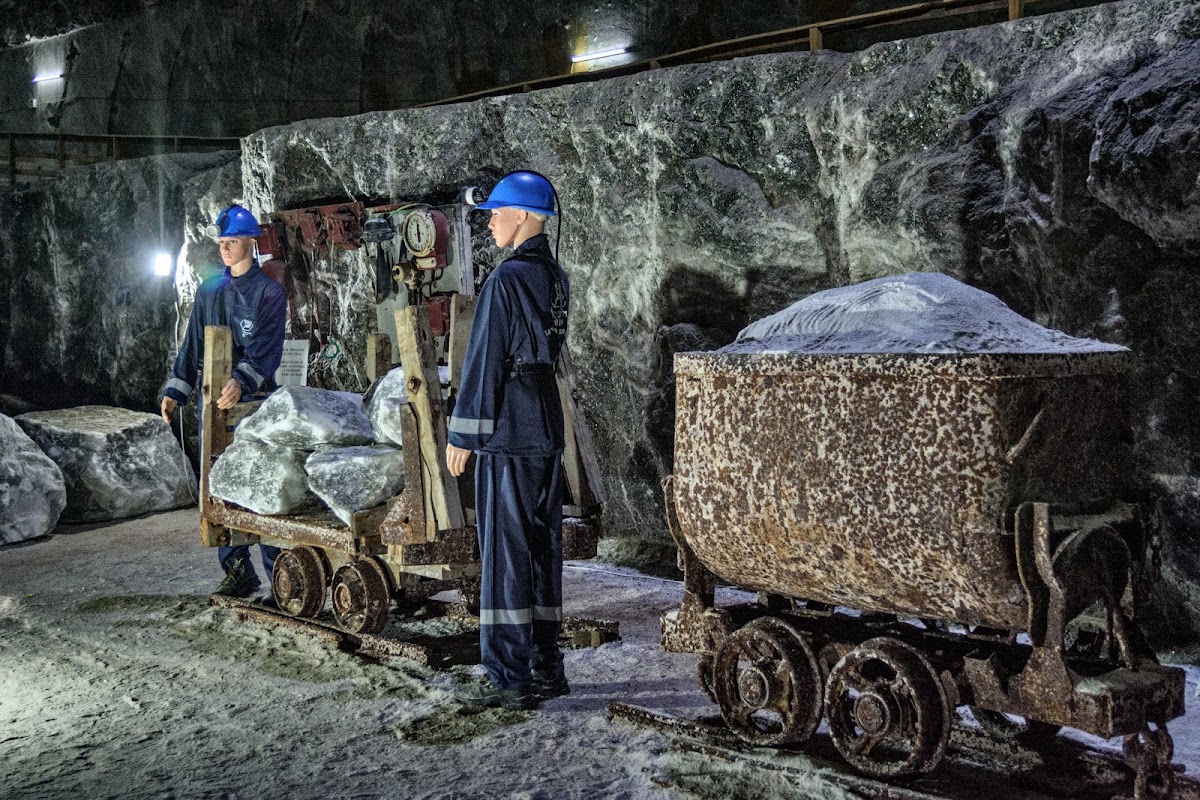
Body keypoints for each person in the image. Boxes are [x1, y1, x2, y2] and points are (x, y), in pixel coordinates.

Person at [446, 171, 570, 710]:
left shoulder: (505, 280)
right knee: (543, 550)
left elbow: (485, 360)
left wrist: (463, 432)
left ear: (521, 216)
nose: (491, 219)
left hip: (509, 430)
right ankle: (547, 665)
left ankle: (507, 676)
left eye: (497, 211)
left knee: (506, 554)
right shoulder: (555, 276)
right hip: (545, 425)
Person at [159, 204, 287, 599]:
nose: (225, 249)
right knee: (217, 484)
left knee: (261, 485)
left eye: (232, 242)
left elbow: (267, 349)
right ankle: (236, 569)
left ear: (251, 242)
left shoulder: (269, 292)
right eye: (222, 243)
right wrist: (175, 390)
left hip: (255, 406)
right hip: (214, 406)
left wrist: (242, 380)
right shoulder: (210, 289)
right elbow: (192, 343)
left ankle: (279, 576)